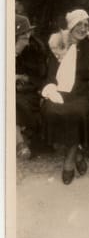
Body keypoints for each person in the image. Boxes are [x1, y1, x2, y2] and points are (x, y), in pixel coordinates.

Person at [41, 9, 89, 185]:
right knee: (50, 110)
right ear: (71, 26)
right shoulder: (58, 44)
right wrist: (51, 89)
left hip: (83, 91)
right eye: (79, 24)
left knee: (76, 112)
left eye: (86, 25)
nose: (83, 28)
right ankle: (78, 154)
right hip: (60, 90)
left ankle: (69, 160)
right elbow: (50, 73)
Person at [16, 14, 47, 159]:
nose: (27, 38)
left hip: (28, 91)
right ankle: (20, 143)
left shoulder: (35, 48)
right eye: (24, 35)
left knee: (16, 102)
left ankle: (21, 144)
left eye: (28, 33)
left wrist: (21, 81)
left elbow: (38, 76)